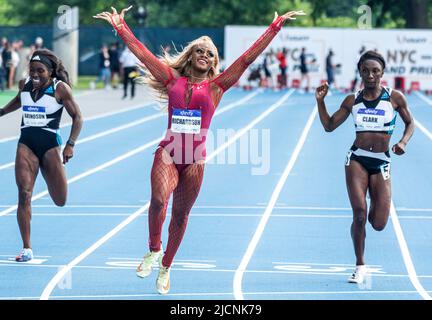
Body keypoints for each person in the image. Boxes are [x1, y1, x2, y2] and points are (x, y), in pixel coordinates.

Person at [94, 6, 305, 294]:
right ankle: (154, 249)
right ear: (191, 56)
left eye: (211, 54)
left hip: (194, 160)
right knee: (158, 201)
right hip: (168, 153)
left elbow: (246, 60)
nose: (205, 55)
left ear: (214, 62)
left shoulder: (218, 87)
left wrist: (274, 28)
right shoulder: (171, 80)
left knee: (180, 216)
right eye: (200, 51)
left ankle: (166, 266)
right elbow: (143, 55)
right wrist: (120, 27)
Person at [315, 51, 414, 284]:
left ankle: (374, 199)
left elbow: (410, 123)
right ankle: (360, 265)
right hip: (357, 159)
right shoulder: (353, 100)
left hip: (382, 161)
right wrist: (320, 102)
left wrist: (402, 142)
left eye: (375, 71)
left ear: (382, 73)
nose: (370, 75)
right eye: (365, 71)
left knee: (378, 224)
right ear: (360, 72)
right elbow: (329, 126)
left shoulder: (395, 98)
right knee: (359, 215)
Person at [0, 49, 83, 262]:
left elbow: (78, 117)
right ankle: (27, 248)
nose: (35, 74)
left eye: (40, 71)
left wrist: (70, 145)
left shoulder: (60, 89)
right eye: (33, 70)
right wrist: (2, 111)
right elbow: (20, 100)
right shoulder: (24, 84)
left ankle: (51, 176)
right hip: (26, 143)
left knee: (60, 200)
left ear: (51, 72)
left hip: (49, 145)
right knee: (24, 193)